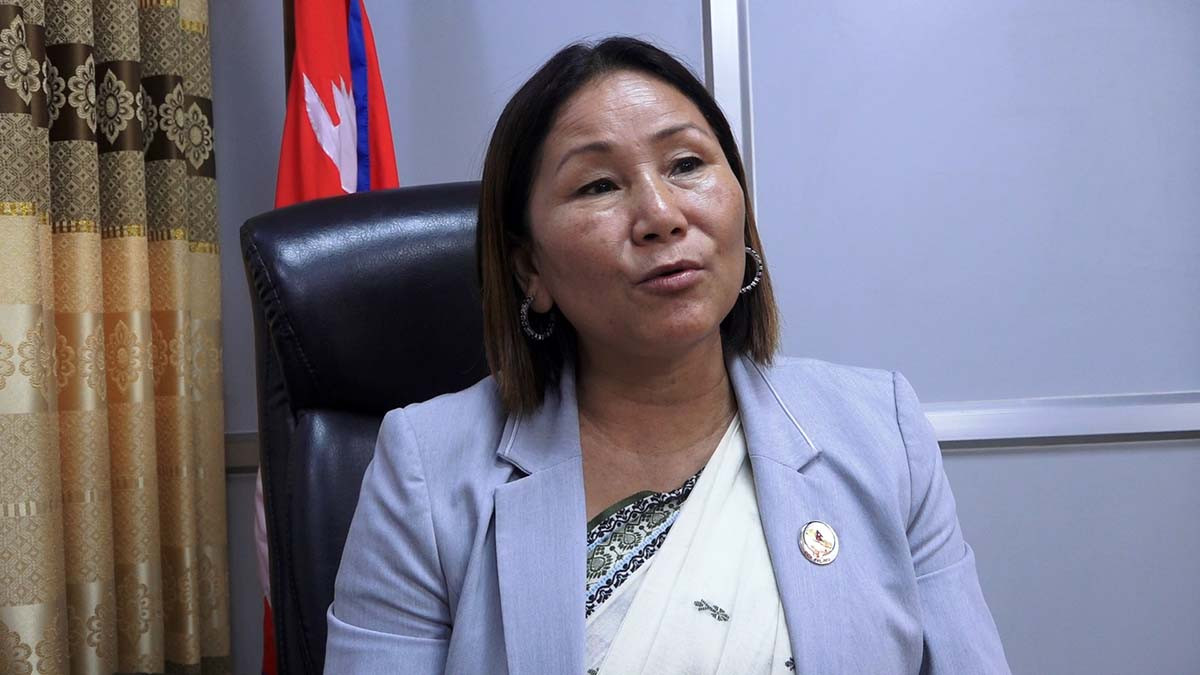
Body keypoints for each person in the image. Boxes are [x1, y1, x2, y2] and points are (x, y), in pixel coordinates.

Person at [324, 36, 1009, 674]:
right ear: (529, 266)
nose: (660, 215)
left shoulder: (880, 431)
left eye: (686, 165)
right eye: (598, 185)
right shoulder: (426, 468)